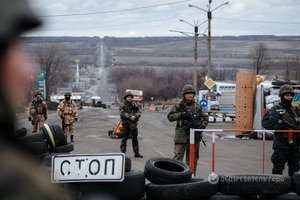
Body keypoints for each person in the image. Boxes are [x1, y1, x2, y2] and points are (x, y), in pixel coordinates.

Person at [0, 0, 71, 199]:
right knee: (36, 132)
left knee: (50, 132)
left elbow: (51, 111)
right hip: (43, 119)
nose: (26, 71)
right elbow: (35, 110)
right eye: (13, 50)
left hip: (58, 119)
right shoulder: (13, 180)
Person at [167, 84, 208, 173]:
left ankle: (191, 177)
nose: (190, 95)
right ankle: (176, 176)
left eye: (191, 93)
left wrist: (202, 127)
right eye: (187, 93)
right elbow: (170, 117)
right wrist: (181, 115)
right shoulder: (178, 105)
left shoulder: (197, 106)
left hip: (194, 135)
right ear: (184, 95)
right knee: (178, 158)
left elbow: (205, 118)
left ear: (194, 94)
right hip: (181, 135)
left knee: (192, 158)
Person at [262, 84, 300, 177]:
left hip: (295, 146)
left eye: (291, 95)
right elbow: (265, 123)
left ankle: (294, 189)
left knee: (295, 171)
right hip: (281, 145)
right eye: (287, 95)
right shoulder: (276, 109)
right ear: (282, 96)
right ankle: (276, 189)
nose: (289, 97)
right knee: (278, 170)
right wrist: (280, 127)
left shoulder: (295, 110)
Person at [119, 91, 143, 158]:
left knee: (135, 139)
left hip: (133, 124)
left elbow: (139, 112)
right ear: (125, 98)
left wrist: (135, 116)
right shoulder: (122, 105)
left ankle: (136, 152)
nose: (129, 98)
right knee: (124, 139)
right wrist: (129, 116)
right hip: (126, 124)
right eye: (128, 97)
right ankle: (123, 153)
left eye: (130, 97)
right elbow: (122, 113)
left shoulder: (134, 105)